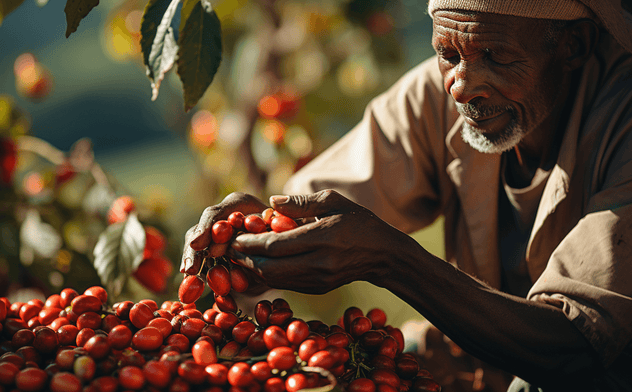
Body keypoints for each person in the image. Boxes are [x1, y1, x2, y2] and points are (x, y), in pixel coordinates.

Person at [180, 0, 632, 390]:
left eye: (496, 56)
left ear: (575, 45)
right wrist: (252, 233)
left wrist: (393, 261)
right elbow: (316, 209)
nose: (461, 84)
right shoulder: (435, 99)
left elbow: (576, 349)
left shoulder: (623, 125)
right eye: (447, 54)